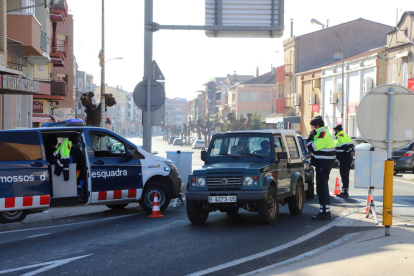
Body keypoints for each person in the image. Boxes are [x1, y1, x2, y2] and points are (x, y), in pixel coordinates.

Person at [306, 116, 336, 220]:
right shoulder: (322, 133)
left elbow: (312, 147)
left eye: (313, 127)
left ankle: (324, 213)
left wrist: (310, 137)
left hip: (323, 164)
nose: (312, 129)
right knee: (322, 187)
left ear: (317, 126)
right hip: (323, 163)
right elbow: (319, 150)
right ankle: (325, 211)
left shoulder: (322, 134)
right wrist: (311, 155)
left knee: (322, 188)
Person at [333, 124, 355, 198]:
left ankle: (344, 192)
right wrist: (352, 152)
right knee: (346, 174)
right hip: (347, 158)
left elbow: (344, 147)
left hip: (344, 158)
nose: (335, 132)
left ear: (338, 130)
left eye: (335, 130)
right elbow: (352, 145)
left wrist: (349, 152)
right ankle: (345, 190)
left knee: (344, 175)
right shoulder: (346, 136)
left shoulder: (340, 137)